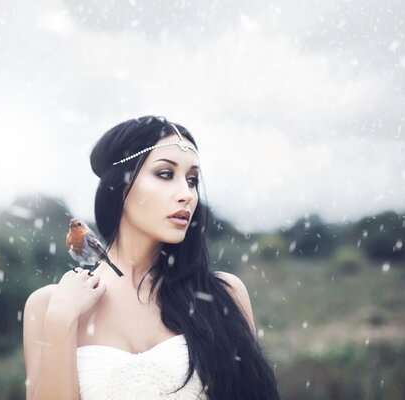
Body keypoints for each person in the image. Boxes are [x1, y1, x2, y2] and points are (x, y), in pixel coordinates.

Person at [23, 116, 281, 400]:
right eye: (166, 174)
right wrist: (61, 322)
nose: (187, 195)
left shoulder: (223, 295)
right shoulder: (48, 305)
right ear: (120, 186)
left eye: (192, 180)